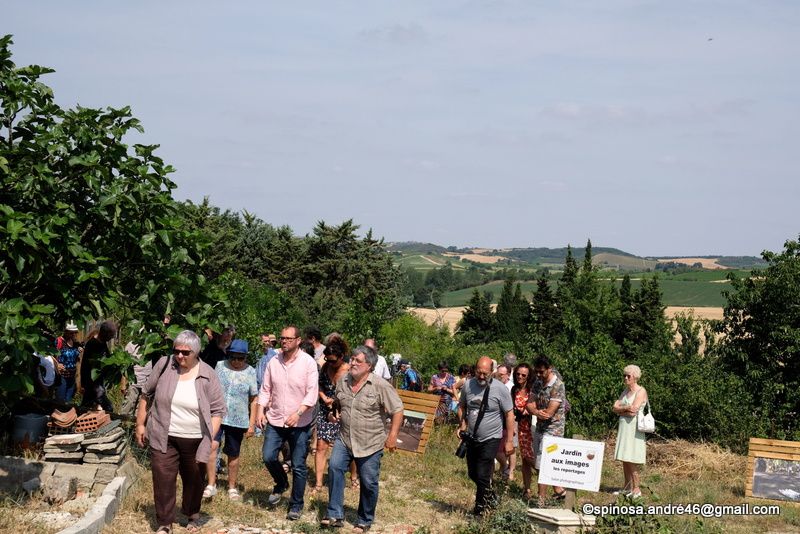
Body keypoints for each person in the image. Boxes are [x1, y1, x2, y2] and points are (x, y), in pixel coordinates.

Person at [135, 330, 225, 534]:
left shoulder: (207, 373)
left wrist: (211, 436)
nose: (180, 356)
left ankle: (192, 514)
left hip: (195, 438)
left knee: (194, 479)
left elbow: (218, 410)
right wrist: (140, 424)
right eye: (176, 351)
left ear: (196, 352)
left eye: (185, 353)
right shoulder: (165, 365)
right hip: (163, 434)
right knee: (162, 478)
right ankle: (165, 522)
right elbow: (146, 394)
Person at [321, 345, 403, 533]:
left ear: (370, 366)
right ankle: (334, 513)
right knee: (334, 468)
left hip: (370, 442)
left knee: (368, 481)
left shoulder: (380, 385)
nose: (353, 363)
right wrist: (333, 414)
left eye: (358, 361)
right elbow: (338, 403)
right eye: (352, 359)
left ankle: (364, 519)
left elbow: (397, 410)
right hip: (344, 438)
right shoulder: (343, 381)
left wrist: (392, 436)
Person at [257, 325, 319, 521]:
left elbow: (312, 393)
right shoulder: (273, 362)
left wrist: (299, 412)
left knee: (299, 465)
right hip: (275, 419)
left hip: (300, 423)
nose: (284, 341)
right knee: (268, 457)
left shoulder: (308, 363)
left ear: (298, 340)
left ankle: (296, 505)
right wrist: (260, 411)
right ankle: (281, 482)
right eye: (282, 338)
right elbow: (266, 389)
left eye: (288, 339)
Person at [458, 356, 514, 516]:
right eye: (479, 373)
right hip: (472, 436)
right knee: (473, 473)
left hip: (491, 438)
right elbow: (462, 406)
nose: (481, 377)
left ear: (492, 372)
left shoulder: (500, 389)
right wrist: (462, 424)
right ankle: (491, 496)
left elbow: (509, 415)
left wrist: (509, 441)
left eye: (485, 373)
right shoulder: (468, 385)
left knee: (483, 474)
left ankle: (479, 511)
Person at [204, 339, 258, 501]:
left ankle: (232, 487)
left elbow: (254, 399)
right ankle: (211, 484)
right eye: (233, 357)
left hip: (238, 418)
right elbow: (211, 389)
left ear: (246, 358)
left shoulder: (250, 372)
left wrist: (252, 424)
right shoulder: (220, 366)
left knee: (233, 454)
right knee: (212, 446)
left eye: (240, 358)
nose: (236, 361)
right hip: (217, 415)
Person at [312, 336, 353, 494]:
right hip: (325, 410)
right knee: (321, 446)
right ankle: (318, 483)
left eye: (333, 361)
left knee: (345, 448)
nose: (330, 363)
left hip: (344, 412)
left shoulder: (349, 371)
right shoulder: (324, 369)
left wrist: (338, 405)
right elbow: (319, 385)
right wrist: (324, 398)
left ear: (341, 358)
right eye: (327, 360)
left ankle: (350, 478)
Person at [527, 356, 567, 506]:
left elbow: (549, 412)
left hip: (553, 431)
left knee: (543, 464)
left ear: (549, 368)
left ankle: (541, 500)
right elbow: (529, 405)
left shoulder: (558, 385)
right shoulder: (537, 383)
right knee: (539, 464)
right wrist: (537, 412)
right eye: (536, 371)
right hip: (540, 428)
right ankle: (559, 490)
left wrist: (535, 410)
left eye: (541, 371)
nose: (538, 374)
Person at [612, 364, 648, 498]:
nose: (625, 378)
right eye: (624, 375)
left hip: (634, 429)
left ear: (635, 377)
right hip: (624, 428)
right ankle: (627, 487)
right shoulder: (626, 391)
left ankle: (636, 489)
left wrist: (622, 408)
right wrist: (625, 408)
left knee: (631, 458)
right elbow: (614, 407)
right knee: (624, 458)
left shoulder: (641, 391)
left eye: (628, 376)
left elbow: (634, 411)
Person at [80, 321, 117, 412]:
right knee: (108, 407)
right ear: (104, 333)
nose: (111, 338)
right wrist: (83, 384)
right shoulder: (93, 344)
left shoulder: (103, 343)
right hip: (92, 383)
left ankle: (78, 417)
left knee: (86, 405)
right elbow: (85, 365)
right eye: (110, 335)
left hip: (98, 382)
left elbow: (107, 359)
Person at [510, 363, 535, 499]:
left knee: (531, 459)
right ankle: (527, 489)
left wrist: (528, 411)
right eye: (518, 374)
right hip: (520, 428)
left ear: (528, 376)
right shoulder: (514, 390)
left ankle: (552, 478)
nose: (520, 376)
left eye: (523, 375)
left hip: (531, 428)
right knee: (525, 460)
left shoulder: (532, 390)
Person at [494, 363, 516, 480]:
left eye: (501, 375)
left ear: (508, 375)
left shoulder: (511, 388)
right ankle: (504, 468)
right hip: (497, 421)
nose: (499, 376)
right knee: (497, 449)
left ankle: (509, 470)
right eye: (497, 374)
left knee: (509, 448)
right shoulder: (494, 385)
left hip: (508, 422)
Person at [54, 321, 83, 403]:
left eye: (75, 333)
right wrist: (57, 364)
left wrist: (78, 351)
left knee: (68, 401)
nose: (73, 335)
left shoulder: (75, 343)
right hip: (62, 376)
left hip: (72, 376)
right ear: (66, 332)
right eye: (71, 333)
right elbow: (52, 355)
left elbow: (75, 358)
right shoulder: (59, 341)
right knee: (60, 400)